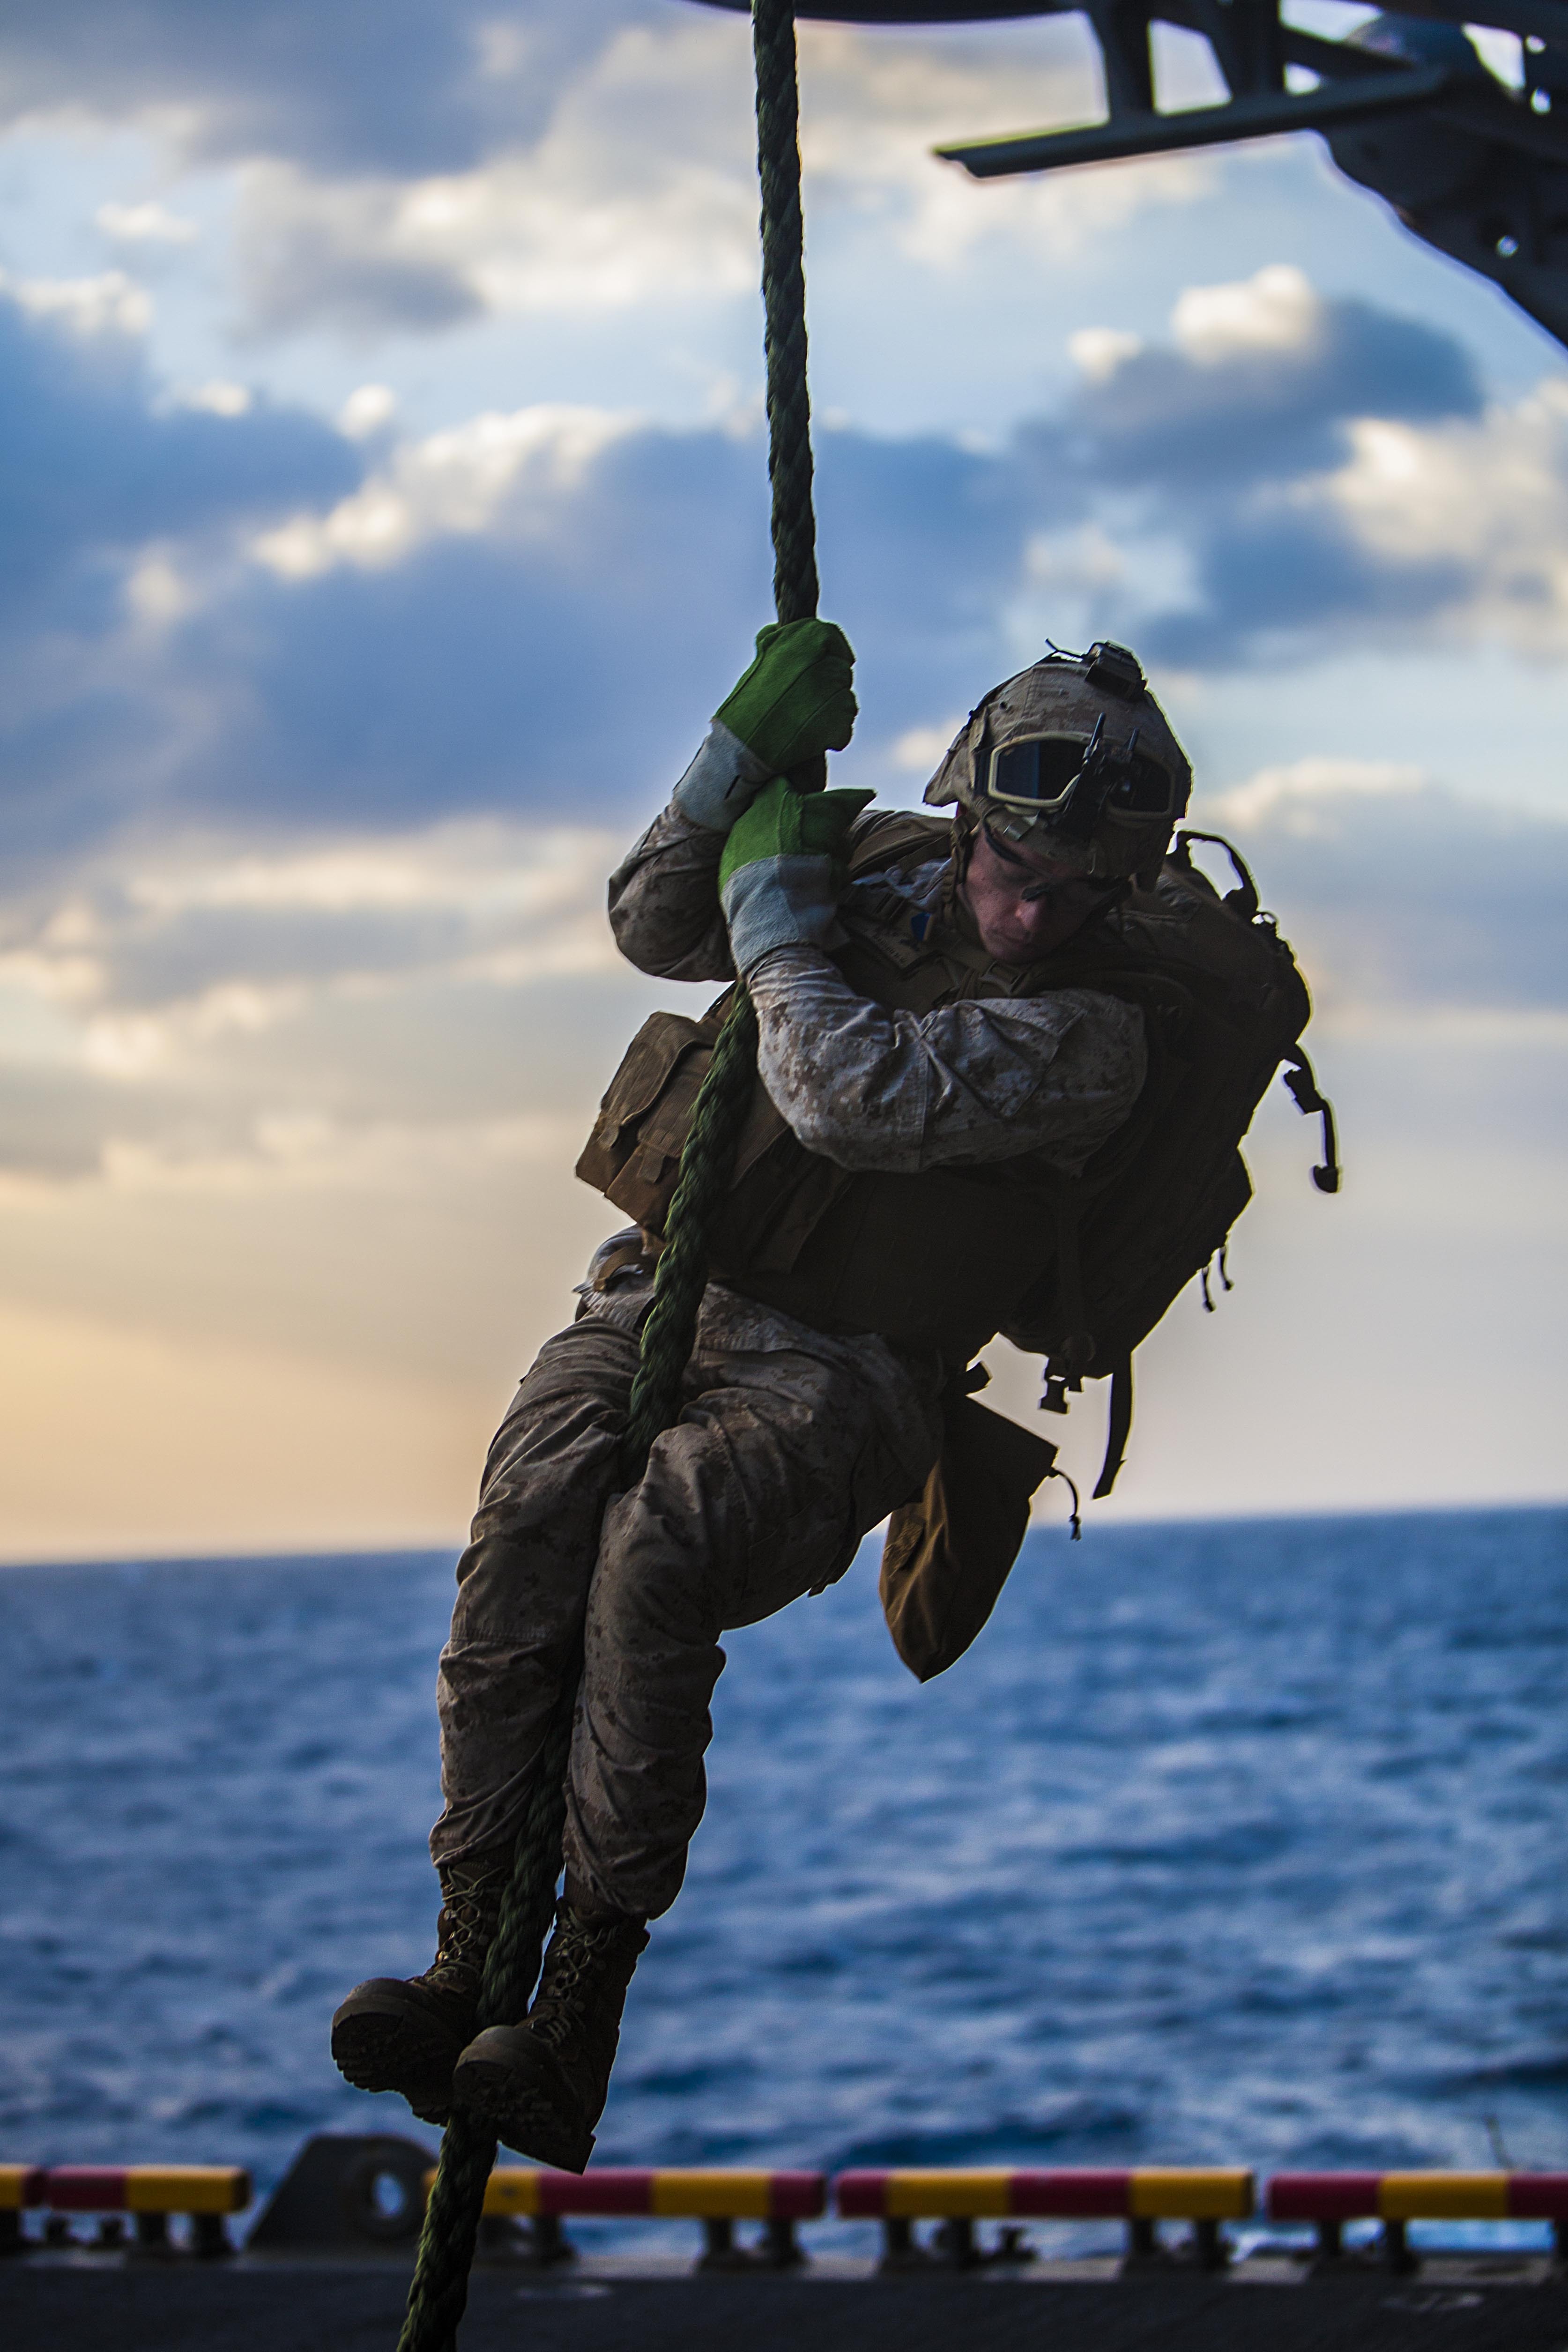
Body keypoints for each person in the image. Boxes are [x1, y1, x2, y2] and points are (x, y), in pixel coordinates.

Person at [332, 619, 1192, 2171]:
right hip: (660, 1292)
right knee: (522, 1536)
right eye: (1018, 863)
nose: (1035, 906)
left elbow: (846, 1095)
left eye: (1080, 891)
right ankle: (466, 1951)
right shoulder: (868, 858)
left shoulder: (1098, 1037)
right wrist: (734, 759)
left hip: (845, 1373)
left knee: (654, 1561)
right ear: (971, 813)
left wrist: (780, 928)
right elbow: (656, 918)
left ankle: (579, 1997)